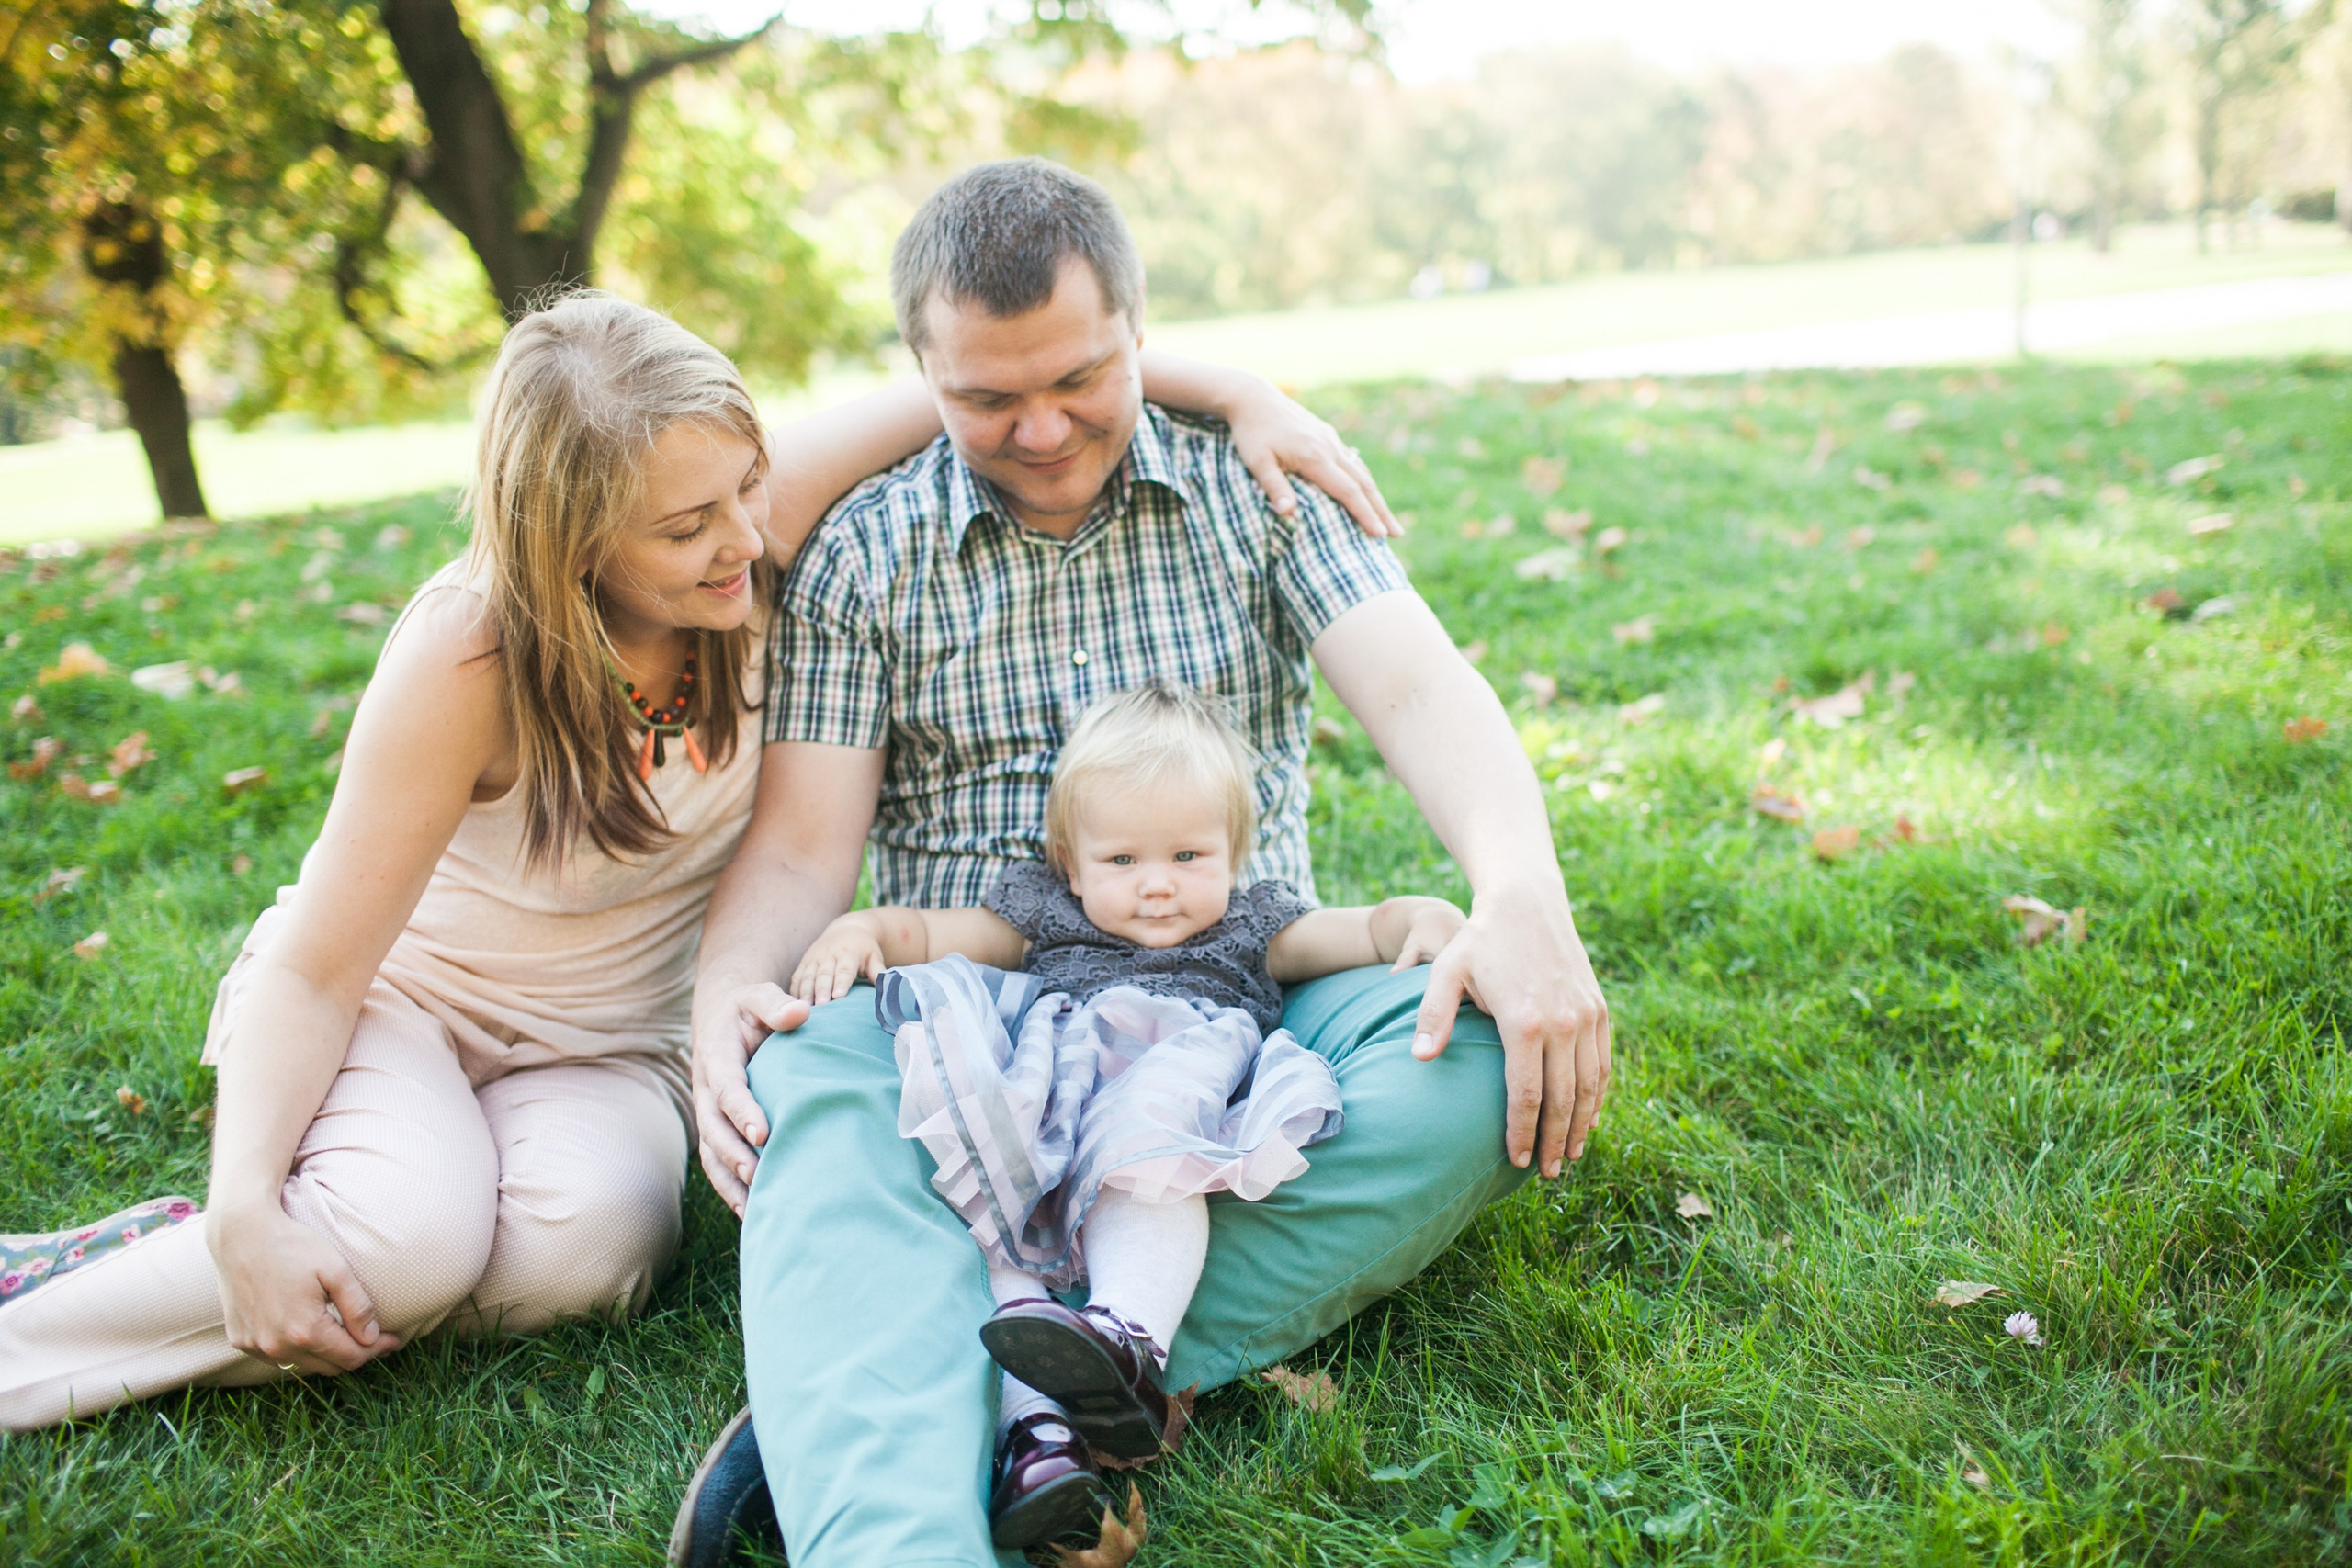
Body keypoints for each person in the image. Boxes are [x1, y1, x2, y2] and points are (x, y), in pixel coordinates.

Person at [0, 290, 1396, 1432]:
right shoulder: (471, 650)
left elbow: (977, 381)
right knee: (412, 1240)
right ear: (566, 543)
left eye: (744, 489)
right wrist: (248, 1205)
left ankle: (323, 1222)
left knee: (581, 1260)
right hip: (404, 1006)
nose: (747, 539)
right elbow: (318, 956)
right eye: (686, 529)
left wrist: (1244, 392)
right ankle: (74, 1318)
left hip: (611, 1051)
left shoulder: (742, 532)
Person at [685, 157, 1611, 1567]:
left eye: (1079, 378)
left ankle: (933, 1374)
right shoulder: (866, 552)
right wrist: (723, 1002)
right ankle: (933, 1484)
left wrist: (1520, 895)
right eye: (986, 399)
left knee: (1480, 1043)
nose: (1043, 427)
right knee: (808, 1068)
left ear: (1140, 332)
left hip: (1238, 1002)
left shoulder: (1258, 483)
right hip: (970, 1017)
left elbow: (1421, 690)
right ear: (920, 375)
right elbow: (807, 843)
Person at [791, 684, 1467, 1546]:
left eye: (1189, 855)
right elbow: (933, 932)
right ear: (1072, 865)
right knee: (989, 1225)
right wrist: (868, 929)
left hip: (1161, 1102)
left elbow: (1365, 929)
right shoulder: (1047, 912)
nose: (1156, 886)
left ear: (1234, 853)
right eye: (1122, 862)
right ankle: (1039, 1436)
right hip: (1052, 1107)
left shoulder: (1252, 928)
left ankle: (1128, 1337)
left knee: (1145, 1155)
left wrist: (1422, 914)